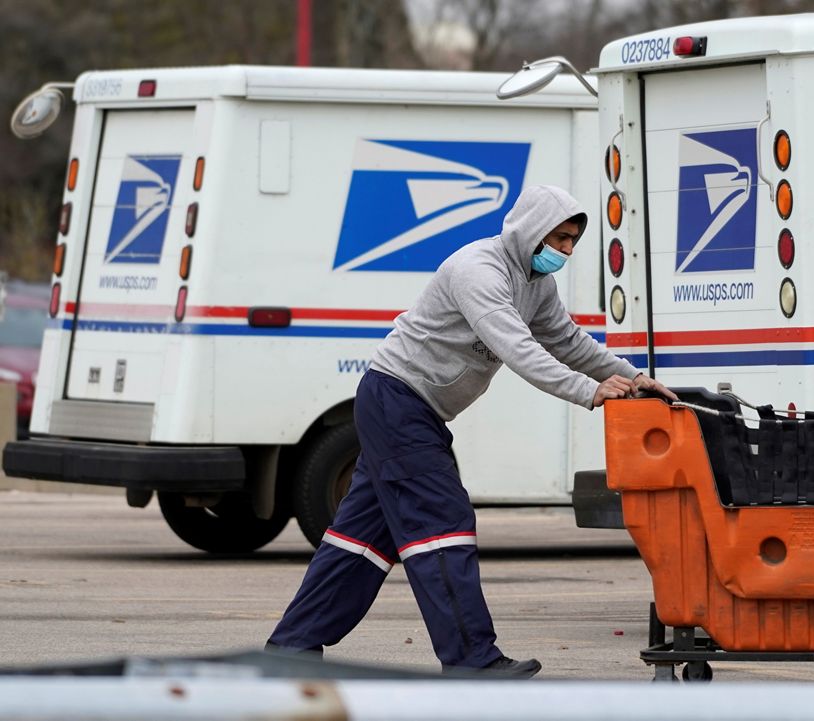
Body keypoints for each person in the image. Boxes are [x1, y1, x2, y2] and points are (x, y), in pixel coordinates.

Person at [266, 185, 676, 679]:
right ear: (530, 230)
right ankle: (470, 660)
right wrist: (588, 393)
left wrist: (630, 377)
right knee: (443, 522)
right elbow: (519, 348)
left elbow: (567, 341)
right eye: (560, 238)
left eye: (572, 242)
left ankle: (291, 646)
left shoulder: (534, 282)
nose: (566, 251)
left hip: (412, 409)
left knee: (360, 540)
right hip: (397, 400)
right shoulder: (478, 271)